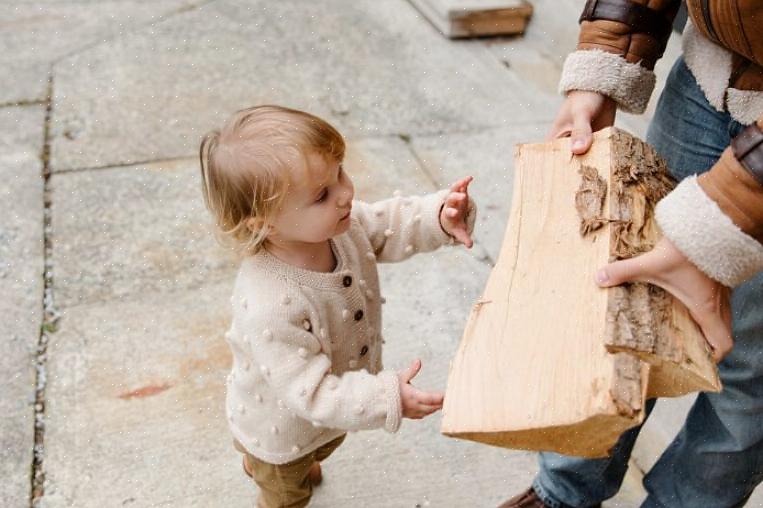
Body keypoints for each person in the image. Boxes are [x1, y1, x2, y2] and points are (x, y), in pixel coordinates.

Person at [500, 1, 763, 507]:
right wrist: (606, 60)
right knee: (623, 293)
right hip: (707, 82)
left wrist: (723, 219)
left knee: (750, 365)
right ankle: (562, 491)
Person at [198, 105, 476, 508]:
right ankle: (262, 472)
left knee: (323, 446)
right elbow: (311, 393)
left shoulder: (338, 227)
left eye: (340, 173)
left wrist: (439, 217)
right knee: (288, 492)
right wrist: (386, 397)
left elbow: (390, 223)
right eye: (322, 194)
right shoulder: (270, 304)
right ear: (264, 224)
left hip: (329, 417)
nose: (346, 193)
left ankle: (291, 460)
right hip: (280, 432)